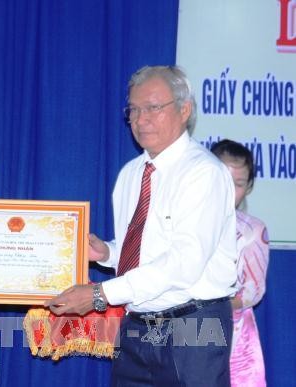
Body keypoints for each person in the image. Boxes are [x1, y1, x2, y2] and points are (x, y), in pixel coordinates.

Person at [45, 65, 238, 386]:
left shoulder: (203, 173)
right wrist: (107, 252)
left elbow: (184, 263)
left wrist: (99, 294)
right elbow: (145, 249)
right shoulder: (131, 173)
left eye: (152, 108)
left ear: (184, 109)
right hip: (138, 326)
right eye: (133, 110)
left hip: (194, 325)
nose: (140, 119)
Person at [211, 139, 269, 387]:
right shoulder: (179, 222)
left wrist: (209, 308)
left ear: (249, 187)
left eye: (238, 184)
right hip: (181, 332)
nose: (229, 189)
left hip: (234, 338)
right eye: (223, 179)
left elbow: (253, 291)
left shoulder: (252, 230)